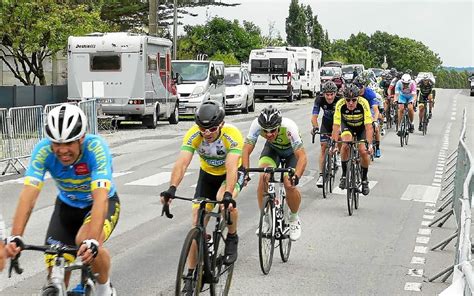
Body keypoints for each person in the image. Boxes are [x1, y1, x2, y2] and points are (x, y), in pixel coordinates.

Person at [5, 104, 119, 296]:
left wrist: (92, 240)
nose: (62, 150)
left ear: (81, 138)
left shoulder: (96, 149)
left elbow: (100, 198)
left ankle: (104, 288)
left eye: (69, 143)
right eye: (56, 143)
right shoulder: (43, 151)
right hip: (67, 206)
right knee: (54, 260)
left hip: (100, 204)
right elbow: (28, 196)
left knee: (85, 242)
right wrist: (16, 236)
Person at [160, 100, 244, 267]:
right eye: (203, 129)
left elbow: (231, 164)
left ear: (221, 124)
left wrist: (228, 193)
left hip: (231, 173)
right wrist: (172, 188)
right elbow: (182, 162)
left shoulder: (232, 134)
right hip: (207, 175)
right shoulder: (193, 134)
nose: (207, 133)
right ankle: (191, 276)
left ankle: (232, 237)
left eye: (212, 129)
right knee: (196, 222)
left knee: (223, 202)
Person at [242, 106, 307, 241]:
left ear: (279, 125)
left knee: (289, 183)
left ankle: (294, 218)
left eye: (273, 130)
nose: (269, 134)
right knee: (263, 176)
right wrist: (245, 172)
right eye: (265, 131)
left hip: (291, 153)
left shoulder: (289, 127)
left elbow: (302, 157)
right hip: (272, 151)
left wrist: (297, 176)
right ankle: (265, 218)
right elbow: (246, 150)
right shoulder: (256, 125)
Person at [332, 84, 374, 195]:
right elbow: (336, 126)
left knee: (363, 151)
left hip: (361, 128)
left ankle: (364, 180)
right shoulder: (340, 105)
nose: (351, 103)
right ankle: (344, 175)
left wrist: (369, 145)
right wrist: (335, 145)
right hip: (347, 126)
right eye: (348, 100)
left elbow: (369, 126)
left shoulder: (363, 103)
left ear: (358, 98)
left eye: (354, 100)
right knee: (345, 144)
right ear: (344, 99)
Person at [311, 81, 342, 187]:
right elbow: (314, 116)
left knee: (341, 136)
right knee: (323, 148)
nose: (329, 97)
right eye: (327, 94)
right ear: (323, 94)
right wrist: (315, 127)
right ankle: (321, 175)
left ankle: (338, 154)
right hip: (326, 123)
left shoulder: (340, 99)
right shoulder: (319, 99)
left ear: (335, 93)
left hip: (338, 123)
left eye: (332, 94)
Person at [353, 76, 382, 158]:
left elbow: (375, 110)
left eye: (361, 87)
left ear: (364, 86)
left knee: (375, 127)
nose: (359, 90)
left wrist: (375, 120)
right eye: (357, 88)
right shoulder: (353, 92)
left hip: (370, 109)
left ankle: (377, 147)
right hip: (359, 109)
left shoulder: (370, 93)